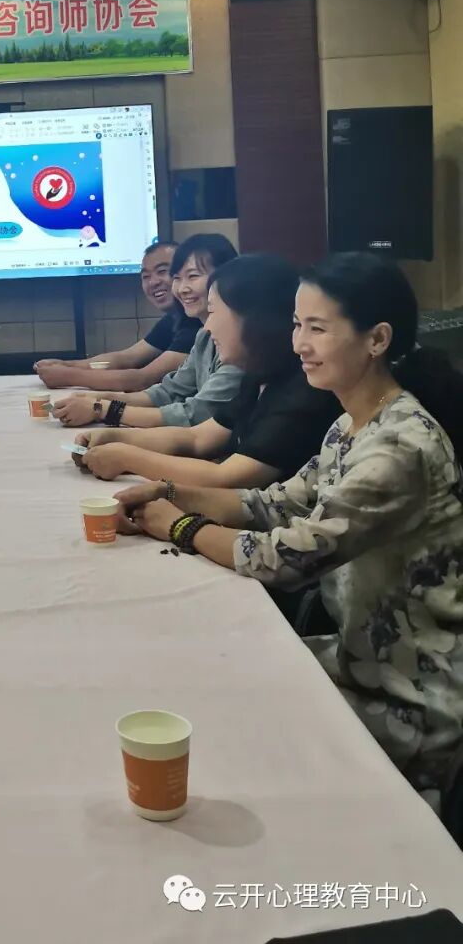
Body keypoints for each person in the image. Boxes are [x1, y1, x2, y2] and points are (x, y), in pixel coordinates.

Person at [114, 254, 463, 807]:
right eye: (298, 325)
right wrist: (169, 493)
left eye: (317, 328)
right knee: (202, 666)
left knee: (229, 731)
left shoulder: (398, 448)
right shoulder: (351, 423)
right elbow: (271, 504)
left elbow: (287, 558)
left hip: (408, 697)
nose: (299, 343)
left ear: (377, 339)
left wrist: (178, 525)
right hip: (356, 659)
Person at [73, 254, 340, 489]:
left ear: (254, 319)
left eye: (212, 312)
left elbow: (226, 478)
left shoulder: (303, 390)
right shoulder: (258, 376)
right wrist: (114, 436)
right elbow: (197, 438)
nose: (208, 327)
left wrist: (126, 457)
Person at [52, 233, 240, 430]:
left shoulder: (240, 343)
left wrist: (102, 409)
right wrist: (97, 399)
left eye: (192, 276)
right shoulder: (203, 335)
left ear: (226, 277)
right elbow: (167, 393)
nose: (182, 288)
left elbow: (195, 414)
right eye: (177, 278)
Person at [34, 241, 199, 392]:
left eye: (162, 271)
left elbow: (142, 379)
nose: (153, 282)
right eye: (145, 276)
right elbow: (127, 358)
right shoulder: (174, 318)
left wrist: (68, 376)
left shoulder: (196, 323)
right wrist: (66, 365)